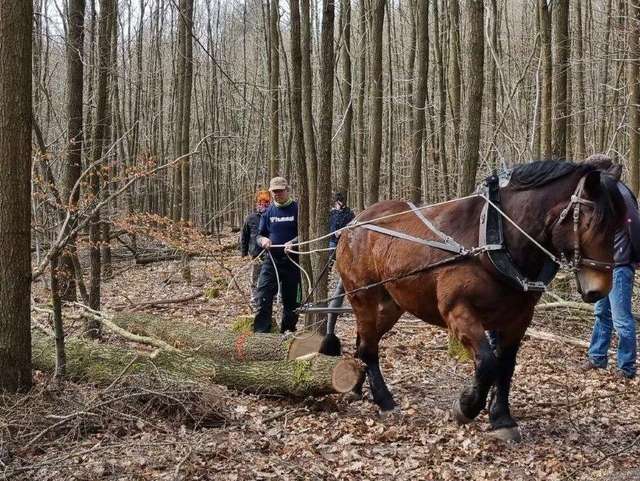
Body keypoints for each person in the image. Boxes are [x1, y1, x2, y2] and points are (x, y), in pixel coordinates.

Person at [582, 155, 639, 379]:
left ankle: (626, 367)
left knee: (621, 318)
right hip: (604, 264)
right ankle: (597, 357)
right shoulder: (606, 192)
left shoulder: (620, 193)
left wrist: (634, 256)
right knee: (601, 312)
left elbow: (635, 227)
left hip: (620, 265)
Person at [253, 176, 301, 333]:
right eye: (274, 192)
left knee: (292, 301)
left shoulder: (297, 209)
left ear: (287, 190)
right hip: (272, 260)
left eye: (280, 191)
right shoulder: (268, 212)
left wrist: (293, 242)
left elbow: (306, 233)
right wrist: (264, 241)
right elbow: (259, 236)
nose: (277, 194)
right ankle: (262, 334)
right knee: (263, 294)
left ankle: (287, 332)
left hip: (293, 261)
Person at [240, 190, 271, 308]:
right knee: (255, 277)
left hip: (271, 253)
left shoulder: (272, 216)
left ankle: (268, 297)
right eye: (260, 202)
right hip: (255, 253)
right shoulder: (250, 218)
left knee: (269, 277)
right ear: (257, 203)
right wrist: (243, 252)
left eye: (266, 202)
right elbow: (244, 236)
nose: (263, 205)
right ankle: (254, 298)